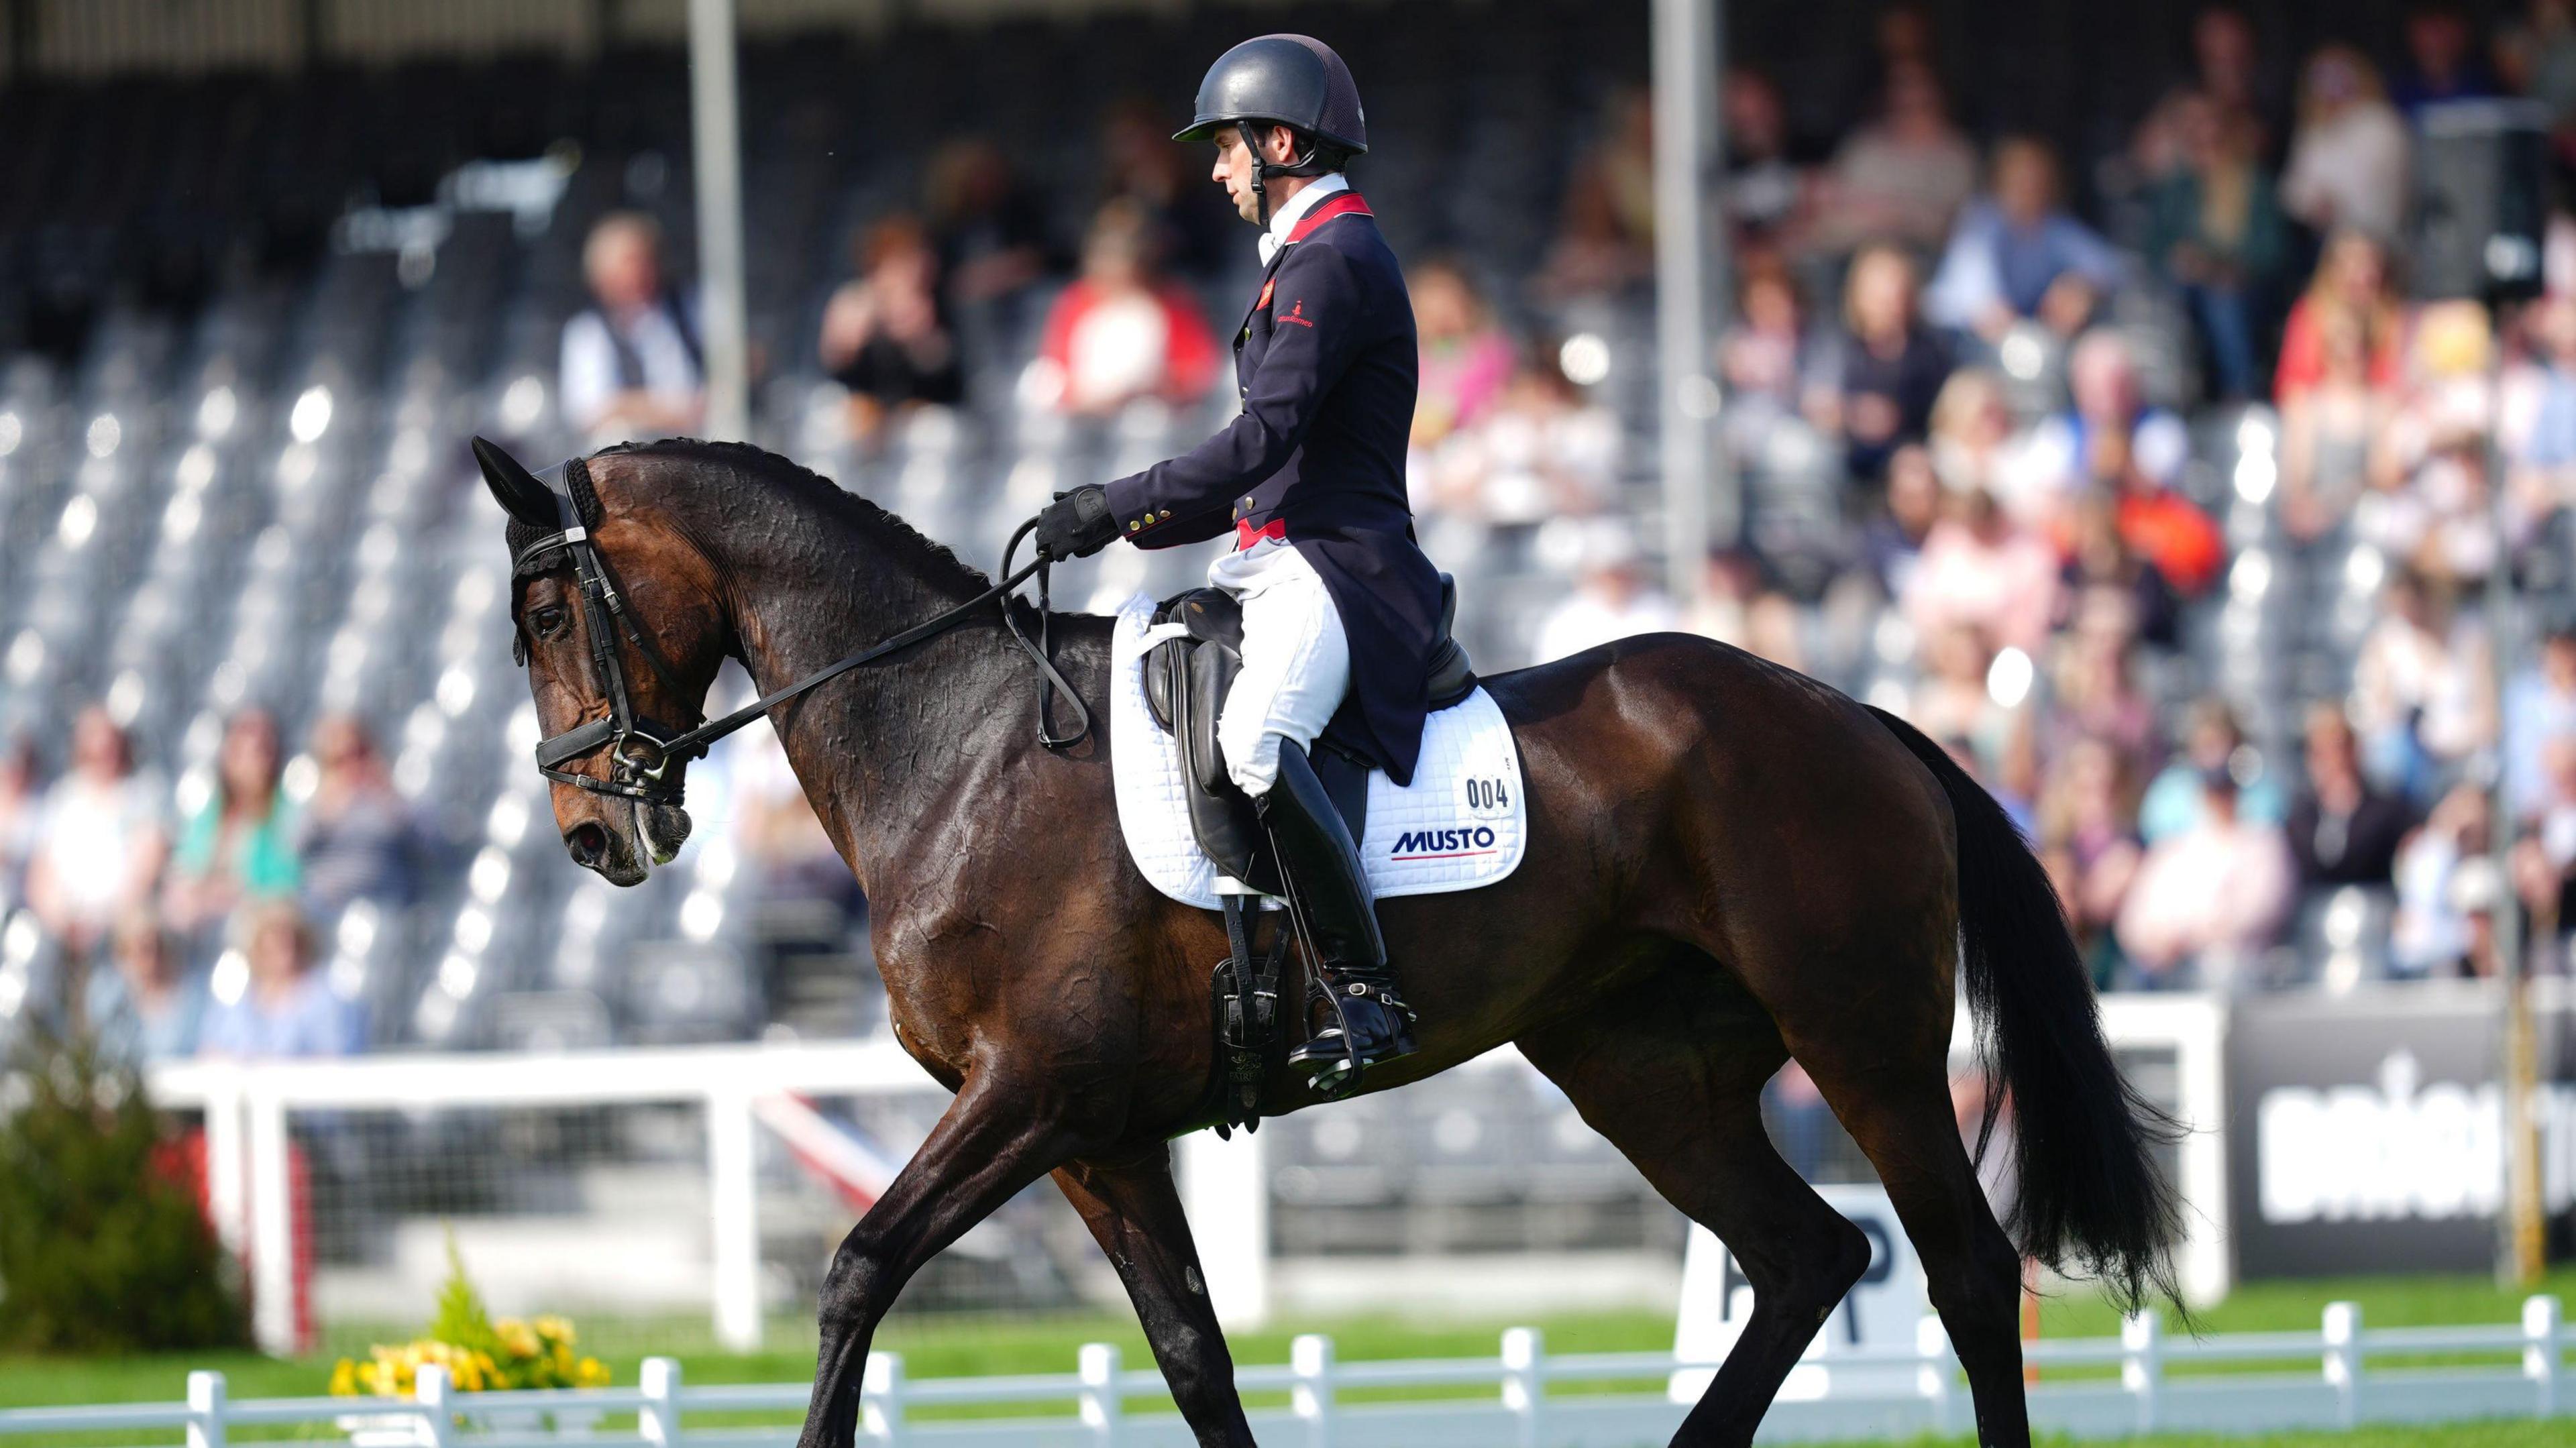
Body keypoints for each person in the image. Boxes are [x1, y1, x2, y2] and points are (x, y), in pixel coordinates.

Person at [1032, 35, 1435, 1089]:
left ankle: (1364, 991)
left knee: (1258, 739)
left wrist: (1115, 501)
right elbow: (1270, 465)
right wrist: (1137, 526)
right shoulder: (1308, 261)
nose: (1215, 171)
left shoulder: (1335, 261)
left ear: (1283, 143)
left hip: (1340, 565)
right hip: (1282, 552)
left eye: (1227, 148)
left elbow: (1261, 441)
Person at [2144, 94, 2291, 400]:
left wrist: (2227, 266)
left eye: (2212, 129)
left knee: (2223, 300)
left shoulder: (2253, 184)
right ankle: (2172, 397)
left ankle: (2240, 395)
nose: (2205, 138)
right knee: (2166, 306)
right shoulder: (2177, 186)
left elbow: (2273, 251)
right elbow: (2154, 246)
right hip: (2184, 287)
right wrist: (2179, 260)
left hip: (2245, 289)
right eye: (2195, 132)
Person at [1923, 137, 2123, 346]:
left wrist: (2081, 286)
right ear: (1999, 183)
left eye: (2036, 182)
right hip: (1954, 337)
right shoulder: (1981, 222)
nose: (2028, 189)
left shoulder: (2054, 226)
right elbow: (1985, 306)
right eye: (2019, 181)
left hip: (2016, 340)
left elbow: (2110, 267)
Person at [1032, 200, 1222, 416]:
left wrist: (1149, 386)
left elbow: (1198, 373)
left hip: (1152, 421)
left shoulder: (1172, 303)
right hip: (1084, 423)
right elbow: (1056, 372)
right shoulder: (1075, 301)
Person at [2116, 765, 2296, 989]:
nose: (2219, 799)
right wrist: (2160, 941)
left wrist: (2190, 937)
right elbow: (2134, 920)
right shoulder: (2172, 849)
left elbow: (2263, 908)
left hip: (2236, 973)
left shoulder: (2262, 843)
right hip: (2166, 973)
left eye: (2225, 791)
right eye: (2212, 791)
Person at [23, 707, 166, 963]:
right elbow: (41, 873)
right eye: (96, 750)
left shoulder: (143, 795)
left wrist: (105, 920)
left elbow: (146, 867)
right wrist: (61, 921)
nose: (104, 756)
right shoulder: (63, 797)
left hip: (120, 924)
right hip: (65, 927)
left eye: (110, 747)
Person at [1807, 243, 1951, 482]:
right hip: (1850, 458)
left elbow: (1947, 409)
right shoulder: (1839, 346)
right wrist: (1857, 416)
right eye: (1881, 297)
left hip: (1916, 461)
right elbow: (1817, 403)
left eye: (1897, 294)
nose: (1891, 305)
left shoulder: (1930, 350)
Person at [557, 213, 704, 447]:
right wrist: (672, 412)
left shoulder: (693, 307)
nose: (638, 272)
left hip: (704, 444)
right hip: (633, 459)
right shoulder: (587, 332)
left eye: (646, 261)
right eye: (629, 263)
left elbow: (740, 366)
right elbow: (590, 412)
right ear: (602, 276)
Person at [817, 215, 965, 444]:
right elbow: (836, 360)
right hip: (863, 414)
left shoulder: (934, 305)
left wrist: (918, 336)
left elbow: (941, 371)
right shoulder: (854, 300)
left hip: (916, 417)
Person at [164, 709, 299, 948]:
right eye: (242, 753)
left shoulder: (287, 813)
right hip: (203, 918)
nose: (252, 763)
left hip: (256, 923)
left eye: (261, 752)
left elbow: (287, 882)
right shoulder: (211, 814)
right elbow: (186, 865)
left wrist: (229, 896)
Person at [196, 899, 363, 1059]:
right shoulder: (235, 996)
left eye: (292, 935)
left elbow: (334, 1059)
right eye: (276, 935)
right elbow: (210, 1052)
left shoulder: (326, 996)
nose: (287, 944)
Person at [2279, 46, 2412, 243]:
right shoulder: (2314, 131)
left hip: (2382, 240)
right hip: (2332, 245)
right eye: (2323, 78)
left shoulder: (2382, 124)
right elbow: (2293, 190)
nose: (2332, 87)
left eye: (2339, 76)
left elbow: (2398, 188)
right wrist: (2313, 203)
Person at [293, 713, 419, 918]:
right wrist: (327, 810)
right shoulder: (315, 806)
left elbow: (426, 843)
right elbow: (295, 849)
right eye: (339, 760)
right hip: (329, 910)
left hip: (389, 907)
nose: (352, 765)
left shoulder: (391, 799)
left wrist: (387, 797)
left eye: (359, 753)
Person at [2287, 703, 2414, 890]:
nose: (2333, 761)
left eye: (2339, 749)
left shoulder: (2387, 810)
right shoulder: (2302, 816)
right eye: (2321, 752)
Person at [85, 910, 202, 1064]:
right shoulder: (110, 998)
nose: (153, 958)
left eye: (159, 948)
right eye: (144, 949)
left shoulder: (189, 995)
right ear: (124, 952)